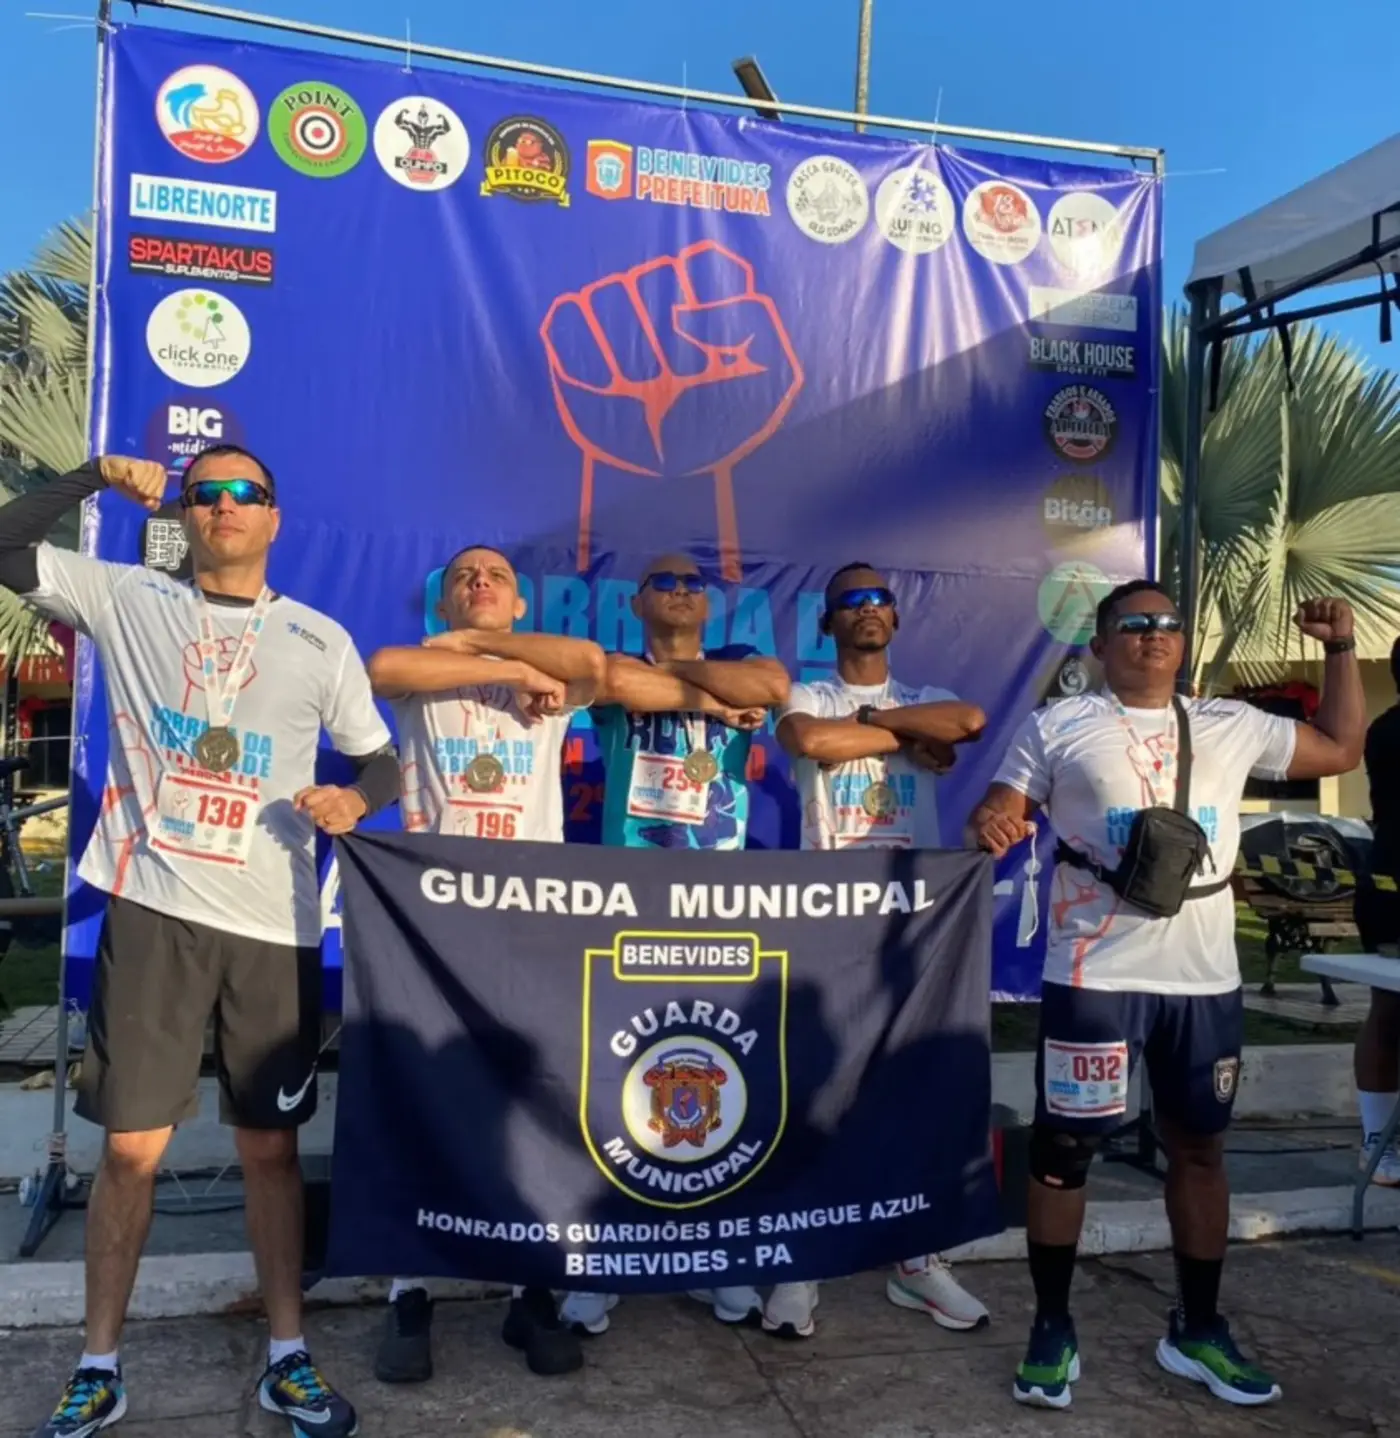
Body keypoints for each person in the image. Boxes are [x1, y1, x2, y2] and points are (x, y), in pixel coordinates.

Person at [5, 450, 400, 1438]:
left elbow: (382, 761)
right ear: (185, 514)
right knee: (130, 1153)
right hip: (155, 913)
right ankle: (99, 1366)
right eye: (205, 493)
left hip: (272, 925)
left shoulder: (318, 638)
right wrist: (93, 476)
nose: (224, 506)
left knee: (270, 1150)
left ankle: (287, 1356)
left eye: (244, 494)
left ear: (274, 517)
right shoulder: (129, 596)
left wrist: (356, 800)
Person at [967, 580, 1364, 1412]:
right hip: (1095, 977)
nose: (1153, 634)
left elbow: (1338, 749)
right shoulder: (1057, 725)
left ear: (1182, 642)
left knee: (1201, 1150)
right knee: (1065, 1154)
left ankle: (1198, 1327)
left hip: (1202, 981)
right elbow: (1000, 806)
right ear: (1100, 645)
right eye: (1134, 624)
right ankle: (1051, 1327)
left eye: (1167, 624)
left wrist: (1339, 649)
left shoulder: (1229, 722)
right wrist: (993, 821)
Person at [365, 544, 605, 1383]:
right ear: (444, 601)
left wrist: (491, 651)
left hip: (528, 920)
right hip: (430, 921)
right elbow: (385, 667)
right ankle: (409, 1291)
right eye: (465, 576)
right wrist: (493, 662)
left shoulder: (550, 671)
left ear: (519, 600)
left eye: (496, 575)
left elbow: (589, 663)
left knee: (527, 1105)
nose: (480, 582)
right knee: (420, 1098)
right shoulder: (424, 666)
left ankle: (528, 1293)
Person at [774, 562, 991, 1341]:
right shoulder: (806, 691)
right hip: (826, 913)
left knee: (910, 1091)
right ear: (828, 621)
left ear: (895, 618)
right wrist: (906, 732)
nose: (867, 609)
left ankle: (916, 1260)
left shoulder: (928, 691)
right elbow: (811, 739)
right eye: (850, 601)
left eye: (879, 600)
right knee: (816, 1091)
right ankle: (800, 1262)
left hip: (910, 916)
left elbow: (967, 722)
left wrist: (879, 725)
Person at [577, 552, 789, 1337]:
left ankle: (710, 1254)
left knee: (715, 1069)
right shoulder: (617, 661)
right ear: (636, 601)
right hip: (628, 894)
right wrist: (713, 698)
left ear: (709, 603)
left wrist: (701, 685)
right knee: (616, 1076)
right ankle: (605, 1261)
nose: (678, 590)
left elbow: (771, 686)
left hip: (716, 899)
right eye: (661, 582)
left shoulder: (741, 660)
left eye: (691, 583)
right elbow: (618, 685)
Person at [1352, 635, 1400, 1186]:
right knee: (1389, 1010)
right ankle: (1378, 1143)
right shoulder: (1390, 732)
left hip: (1383, 882)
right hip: (1393, 890)